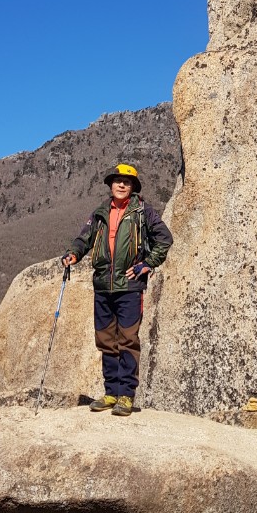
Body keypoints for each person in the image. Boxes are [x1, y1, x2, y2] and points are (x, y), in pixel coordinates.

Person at [62, 162, 173, 417]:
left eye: (127, 181)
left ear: (133, 186)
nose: (121, 184)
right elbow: (84, 239)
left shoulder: (143, 212)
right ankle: (111, 392)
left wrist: (148, 264)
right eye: (117, 180)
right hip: (103, 286)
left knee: (128, 340)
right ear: (111, 184)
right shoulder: (100, 212)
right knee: (105, 341)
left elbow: (164, 239)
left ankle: (126, 395)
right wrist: (73, 254)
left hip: (130, 287)